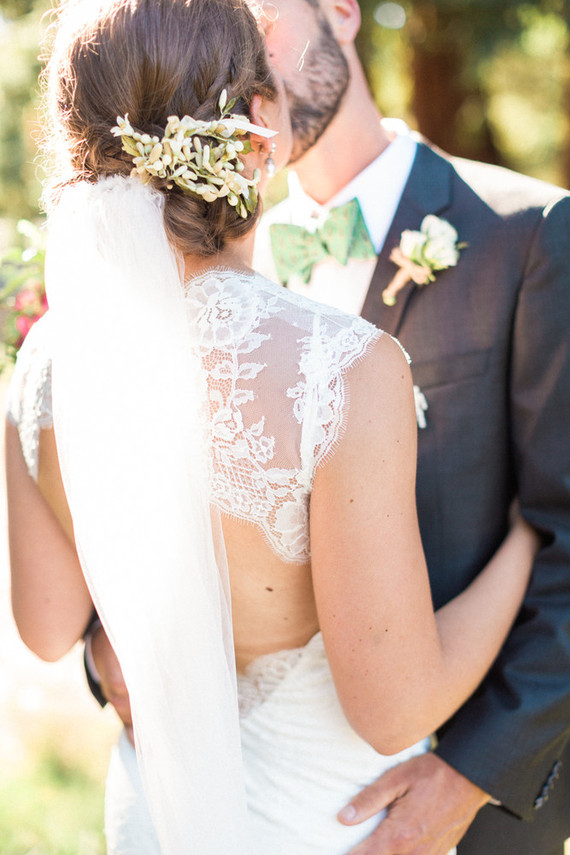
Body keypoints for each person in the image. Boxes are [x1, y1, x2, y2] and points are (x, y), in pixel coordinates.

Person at [5, 0, 541, 852]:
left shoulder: (47, 361)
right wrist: (523, 545)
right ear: (260, 128)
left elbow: (44, 624)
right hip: (327, 823)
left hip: (153, 816)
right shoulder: (341, 368)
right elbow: (393, 705)